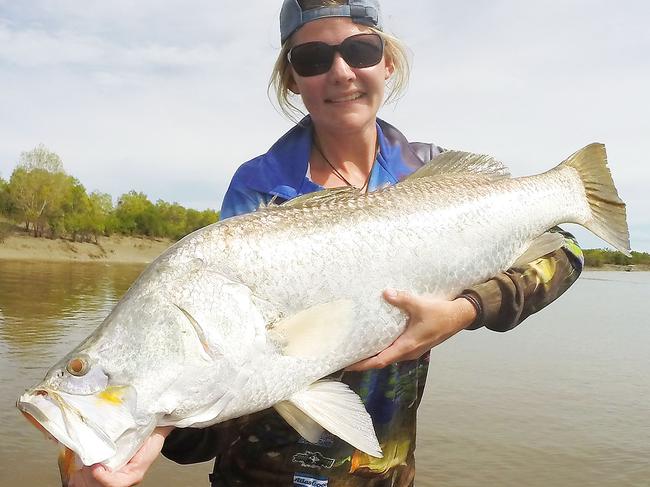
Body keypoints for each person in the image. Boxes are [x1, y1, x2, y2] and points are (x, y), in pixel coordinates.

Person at [71, 1, 583, 486]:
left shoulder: (433, 174)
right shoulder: (260, 187)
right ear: (292, 78)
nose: (341, 72)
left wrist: (465, 311)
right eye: (313, 58)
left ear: (387, 63)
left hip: (386, 471)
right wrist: (149, 428)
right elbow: (232, 349)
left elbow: (566, 254)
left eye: (360, 50)